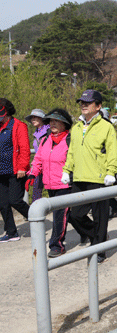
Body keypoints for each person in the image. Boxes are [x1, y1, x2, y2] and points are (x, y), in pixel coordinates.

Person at [62, 90, 117, 263]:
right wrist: (67, 170)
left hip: (98, 178)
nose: (84, 105)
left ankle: (99, 250)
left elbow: (112, 152)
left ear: (98, 106)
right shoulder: (77, 127)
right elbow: (71, 151)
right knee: (75, 215)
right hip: (79, 178)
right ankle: (98, 238)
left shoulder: (106, 126)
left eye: (88, 102)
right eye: (82, 102)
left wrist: (111, 172)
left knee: (100, 217)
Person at [28, 109, 73, 257]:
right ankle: (90, 232)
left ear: (64, 124)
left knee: (60, 215)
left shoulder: (69, 140)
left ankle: (56, 245)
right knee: (67, 215)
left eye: (56, 121)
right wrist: (32, 174)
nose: (52, 124)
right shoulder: (46, 140)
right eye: (51, 121)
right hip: (50, 184)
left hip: (64, 184)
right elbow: (38, 159)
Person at [0, 98, 30, 243]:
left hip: (15, 171)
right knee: (2, 204)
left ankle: (36, 217)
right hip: (1, 172)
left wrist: (22, 167)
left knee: (15, 200)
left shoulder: (19, 126)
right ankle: (11, 232)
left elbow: (24, 149)